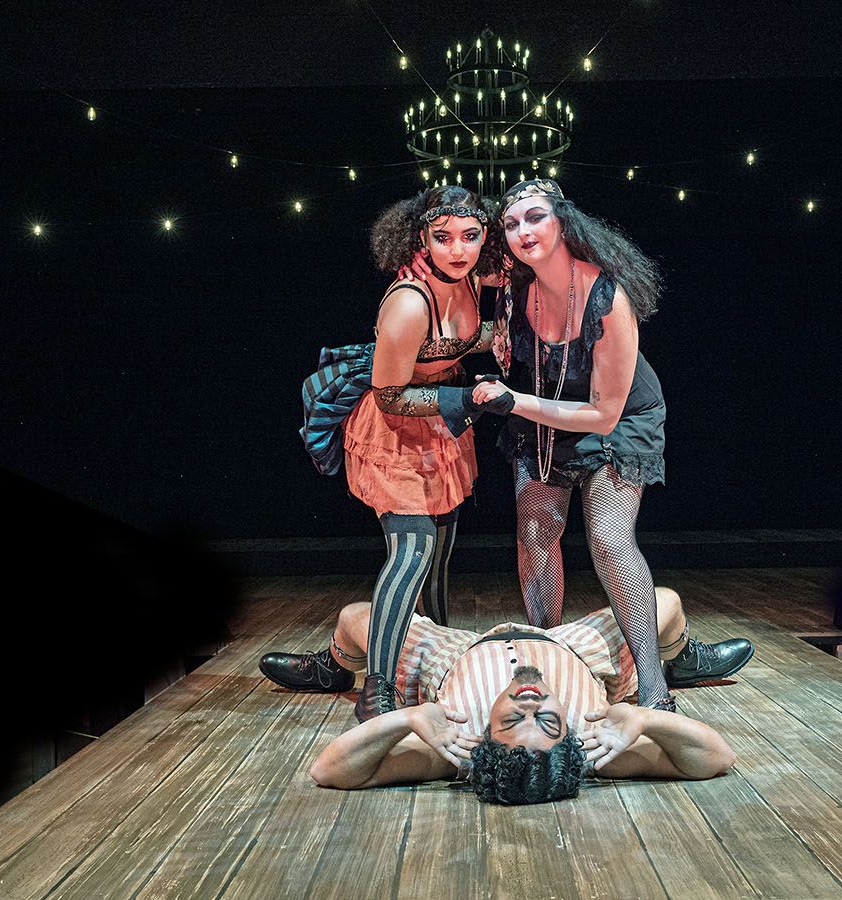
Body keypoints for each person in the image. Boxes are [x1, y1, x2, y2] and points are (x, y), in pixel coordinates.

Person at [281, 185, 510, 722]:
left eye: (471, 236)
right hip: (396, 427)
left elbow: (474, 325)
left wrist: (496, 334)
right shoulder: (410, 301)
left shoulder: (474, 277)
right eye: (443, 237)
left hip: (443, 431)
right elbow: (390, 394)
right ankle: (378, 688)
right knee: (411, 552)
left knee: (440, 552)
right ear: (421, 238)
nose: (458, 249)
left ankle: (438, 661)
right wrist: (463, 397)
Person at [471, 178, 694, 712]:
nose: (523, 231)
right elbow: (448, 253)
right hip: (545, 407)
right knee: (535, 530)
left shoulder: (607, 298)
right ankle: (542, 660)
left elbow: (603, 413)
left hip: (615, 419)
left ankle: (655, 685)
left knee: (609, 538)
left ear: (562, 222)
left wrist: (512, 401)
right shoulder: (514, 284)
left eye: (535, 217)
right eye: (512, 223)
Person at [263, 585, 752, 804]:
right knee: (663, 603)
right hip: (574, 647)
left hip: (452, 654)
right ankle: (681, 659)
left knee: (356, 619)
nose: (531, 707)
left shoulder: (459, 748)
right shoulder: (591, 745)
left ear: (484, 738)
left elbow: (328, 770)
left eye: (513, 722)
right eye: (547, 722)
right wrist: (647, 720)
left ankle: (333, 670)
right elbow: (717, 757)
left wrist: (408, 720)